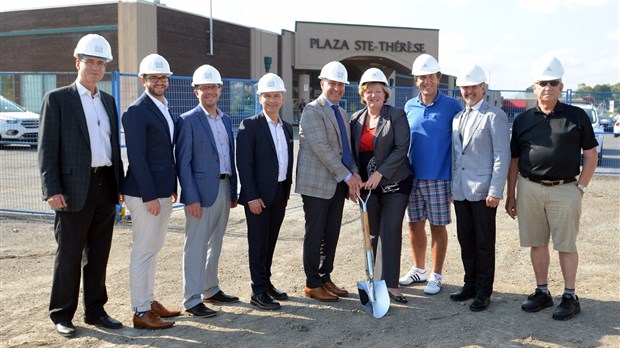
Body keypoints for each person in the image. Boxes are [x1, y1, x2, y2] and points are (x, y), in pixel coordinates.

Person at [38, 33, 124, 337]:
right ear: (78, 63)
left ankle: (96, 311)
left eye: (101, 63)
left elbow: (113, 147)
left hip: (105, 184)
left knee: (99, 253)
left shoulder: (109, 102)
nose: (96, 68)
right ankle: (61, 314)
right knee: (70, 254)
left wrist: (120, 184)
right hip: (73, 188)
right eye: (91, 62)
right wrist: (52, 189)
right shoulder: (58, 99)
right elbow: (47, 148)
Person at [505, 56, 597, 321]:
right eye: (542, 83)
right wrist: (510, 194)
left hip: (565, 189)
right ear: (534, 87)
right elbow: (513, 160)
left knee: (566, 244)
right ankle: (542, 291)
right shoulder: (523, 120)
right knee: (537, 243)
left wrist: (581, 187)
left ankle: (570, 296)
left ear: (561, 86)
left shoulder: (576, 116)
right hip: (530, 188)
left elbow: (591, 155)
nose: (548, 87)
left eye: (553, 83)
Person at [121, 54, 181, 329]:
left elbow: (166, 153)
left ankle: (149, 301)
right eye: (153, 78)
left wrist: (171, 187)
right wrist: (150, 196)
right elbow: (137, 158)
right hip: (145, 195)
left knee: (153, 249)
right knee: (143, 251)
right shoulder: (136, 111)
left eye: (163, 77)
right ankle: (140, 311)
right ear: (143, 80)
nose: (159, 81)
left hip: (162, 192)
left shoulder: (163, 107)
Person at [175, 64, 239, 318]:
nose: (209, 91)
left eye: (213, 87)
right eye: (204, 87)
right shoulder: (188, 120)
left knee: (216, 242)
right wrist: (189, 196)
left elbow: (228, 156)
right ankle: (191, 299)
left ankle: (210, 288)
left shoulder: (225, 119)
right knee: (196, 245)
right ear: (196, 91)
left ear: (220, 90)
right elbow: (183, 162)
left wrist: (233, 191)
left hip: (223, 187)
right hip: (200, 193)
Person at [296, 61, 362, 302]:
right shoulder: (312, 111)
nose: (336, 88)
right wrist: (347, 176)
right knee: (315, 234)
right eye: (332, 83)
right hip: (317, 186)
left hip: (337, 185)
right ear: (322, 83)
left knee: (331, 233)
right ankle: (312, 283)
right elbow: (322, 149)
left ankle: (325, 277)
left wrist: (353, 173)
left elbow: (347, 150)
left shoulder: (342, 113)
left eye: (340, 84)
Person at [399, 54, 463, 295]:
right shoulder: (409, 106)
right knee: (414, 225)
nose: (426, 81)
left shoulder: (452, 106)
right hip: (412, 177)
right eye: (421, 77)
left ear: (438, 78)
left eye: (430, 76)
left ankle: (436, 275)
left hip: (439, 177)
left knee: (438, 227)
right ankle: (419, 269)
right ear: (416, 81)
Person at [449, 64, 510, 311]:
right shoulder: (458, 117)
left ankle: (484, 291)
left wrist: (496, 190)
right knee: (466, 240)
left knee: (484, 242)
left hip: (484, 191)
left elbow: (501, 156)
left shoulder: (494, 116)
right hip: (462, 191)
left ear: (483, 88)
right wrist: (454, 186)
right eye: (465, 87)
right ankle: (470, 284)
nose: (469, 91)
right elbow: (456, 156)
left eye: (473, 87)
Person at [350, 68, 412, 303]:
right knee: (372, 233)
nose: (373, 95)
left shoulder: (396, 115)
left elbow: (401, 148)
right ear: (362, 95)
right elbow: (351, 154)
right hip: (367, 185)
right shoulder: (355, 119)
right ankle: (377, 281)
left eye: (378, 91)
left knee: (390, 230)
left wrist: (380, 173)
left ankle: (392, 284)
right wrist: (355, 176)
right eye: (369, 91)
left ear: (385, 94)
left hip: (395, 182)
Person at [236, 73, 294, 310]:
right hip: (258, 197)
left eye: (276, 96)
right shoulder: (250, 126)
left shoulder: (287, 128)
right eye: (267, 96)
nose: (272, 100)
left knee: (270, 242)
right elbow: (244, 164)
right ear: (259, 98)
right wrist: (251, 196)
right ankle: (257, 291)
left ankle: (266, 283)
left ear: (283, 98)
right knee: (258, 243)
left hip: (279, 193)